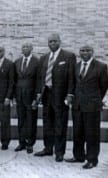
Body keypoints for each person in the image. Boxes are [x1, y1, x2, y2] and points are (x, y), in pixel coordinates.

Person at [34, 33, 76, 162]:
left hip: (60, 96)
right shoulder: (44, 58)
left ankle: (59, 152)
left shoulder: (68, 56)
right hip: (46, 95)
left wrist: (70, 95)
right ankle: (48, 149)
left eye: (54, 41)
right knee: (47, 123)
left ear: (59, 42)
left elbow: (71, 77)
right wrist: (38, 93)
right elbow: (41, 77)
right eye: (50, 41)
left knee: (60, 124)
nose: (52, 43)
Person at [65, 45, 108, 169]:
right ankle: (78, 156)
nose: (85, 52)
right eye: (82, 50)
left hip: (92, 106)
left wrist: (95, 99)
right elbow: (73, 84)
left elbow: (103, 86)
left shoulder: (101, 66)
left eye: (87, 50)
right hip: (77, 105)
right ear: (79, 53)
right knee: (78, 132)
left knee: (92, 134)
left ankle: (92, 159)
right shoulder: (76, 66)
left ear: (92, 52)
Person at [14, 43, 39, 154]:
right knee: (21, 120)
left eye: (27, 47)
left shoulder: (37, 62)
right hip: (19, 96)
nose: (25, 49)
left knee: (31, 121)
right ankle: (22, 142)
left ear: (32, 49)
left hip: (31, 96)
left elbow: (39, 80)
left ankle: (30, 144)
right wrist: (14, 96)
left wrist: (36, 97)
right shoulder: (17, 62)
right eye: (23, 47)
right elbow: (14, 80)